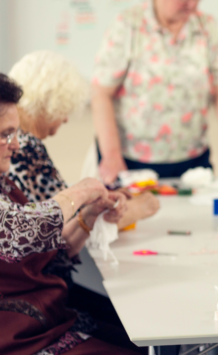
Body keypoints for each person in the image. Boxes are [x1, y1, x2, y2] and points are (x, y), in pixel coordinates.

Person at [0, 75, 144, 354]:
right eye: (6, 134)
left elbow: (49, 261)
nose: (16, 145)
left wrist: (88, 216)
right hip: (17, 336)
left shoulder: (5, 184)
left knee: (136, 339)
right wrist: (80, 192)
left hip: (41, 321)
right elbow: (17, 233)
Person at [91, 0, 218, 183]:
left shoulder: (206, 27)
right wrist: (111, 155)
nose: (191, 3)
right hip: (132, 160)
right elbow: (101, 92)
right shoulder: (128, 25)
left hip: (193, 160)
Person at [8, 50, 159, 229]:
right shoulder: (25, 147)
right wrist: (137, 209)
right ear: (47, 101)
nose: (65, 119)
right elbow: (66, 226)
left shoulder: (17, 142)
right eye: (64, 108)